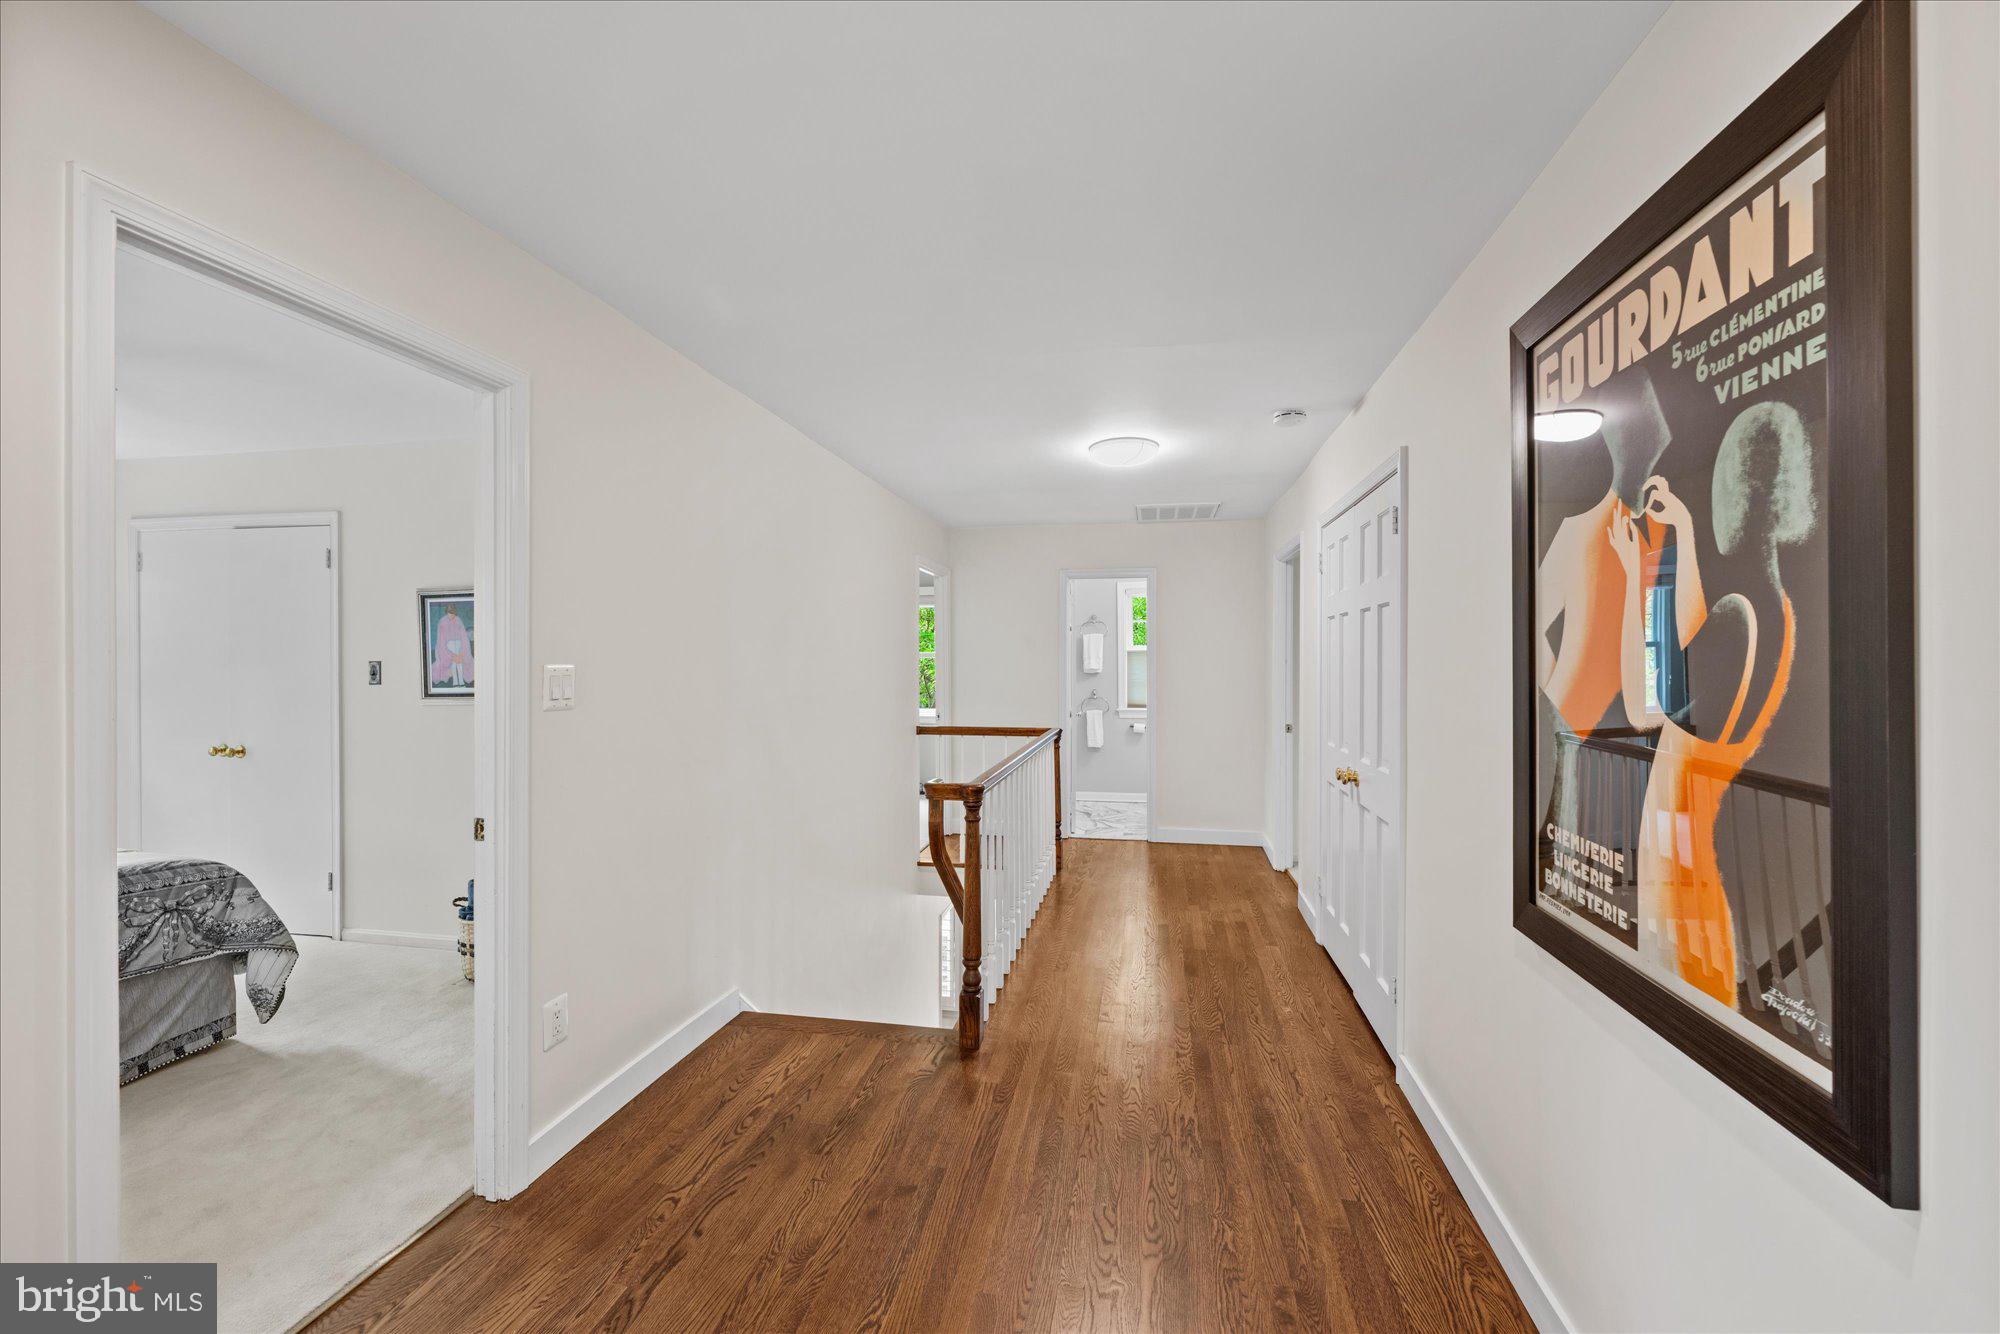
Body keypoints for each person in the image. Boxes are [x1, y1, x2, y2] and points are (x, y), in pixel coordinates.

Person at [1608, 400, 1813, 1007]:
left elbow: (1645, 708)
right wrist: (1685, 533)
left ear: (1739, 490)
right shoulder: (1772, 610)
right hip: (1688, 878)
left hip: (1682, 893)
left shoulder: (1739, 616)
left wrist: (1632, 576)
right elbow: (1697, 641)